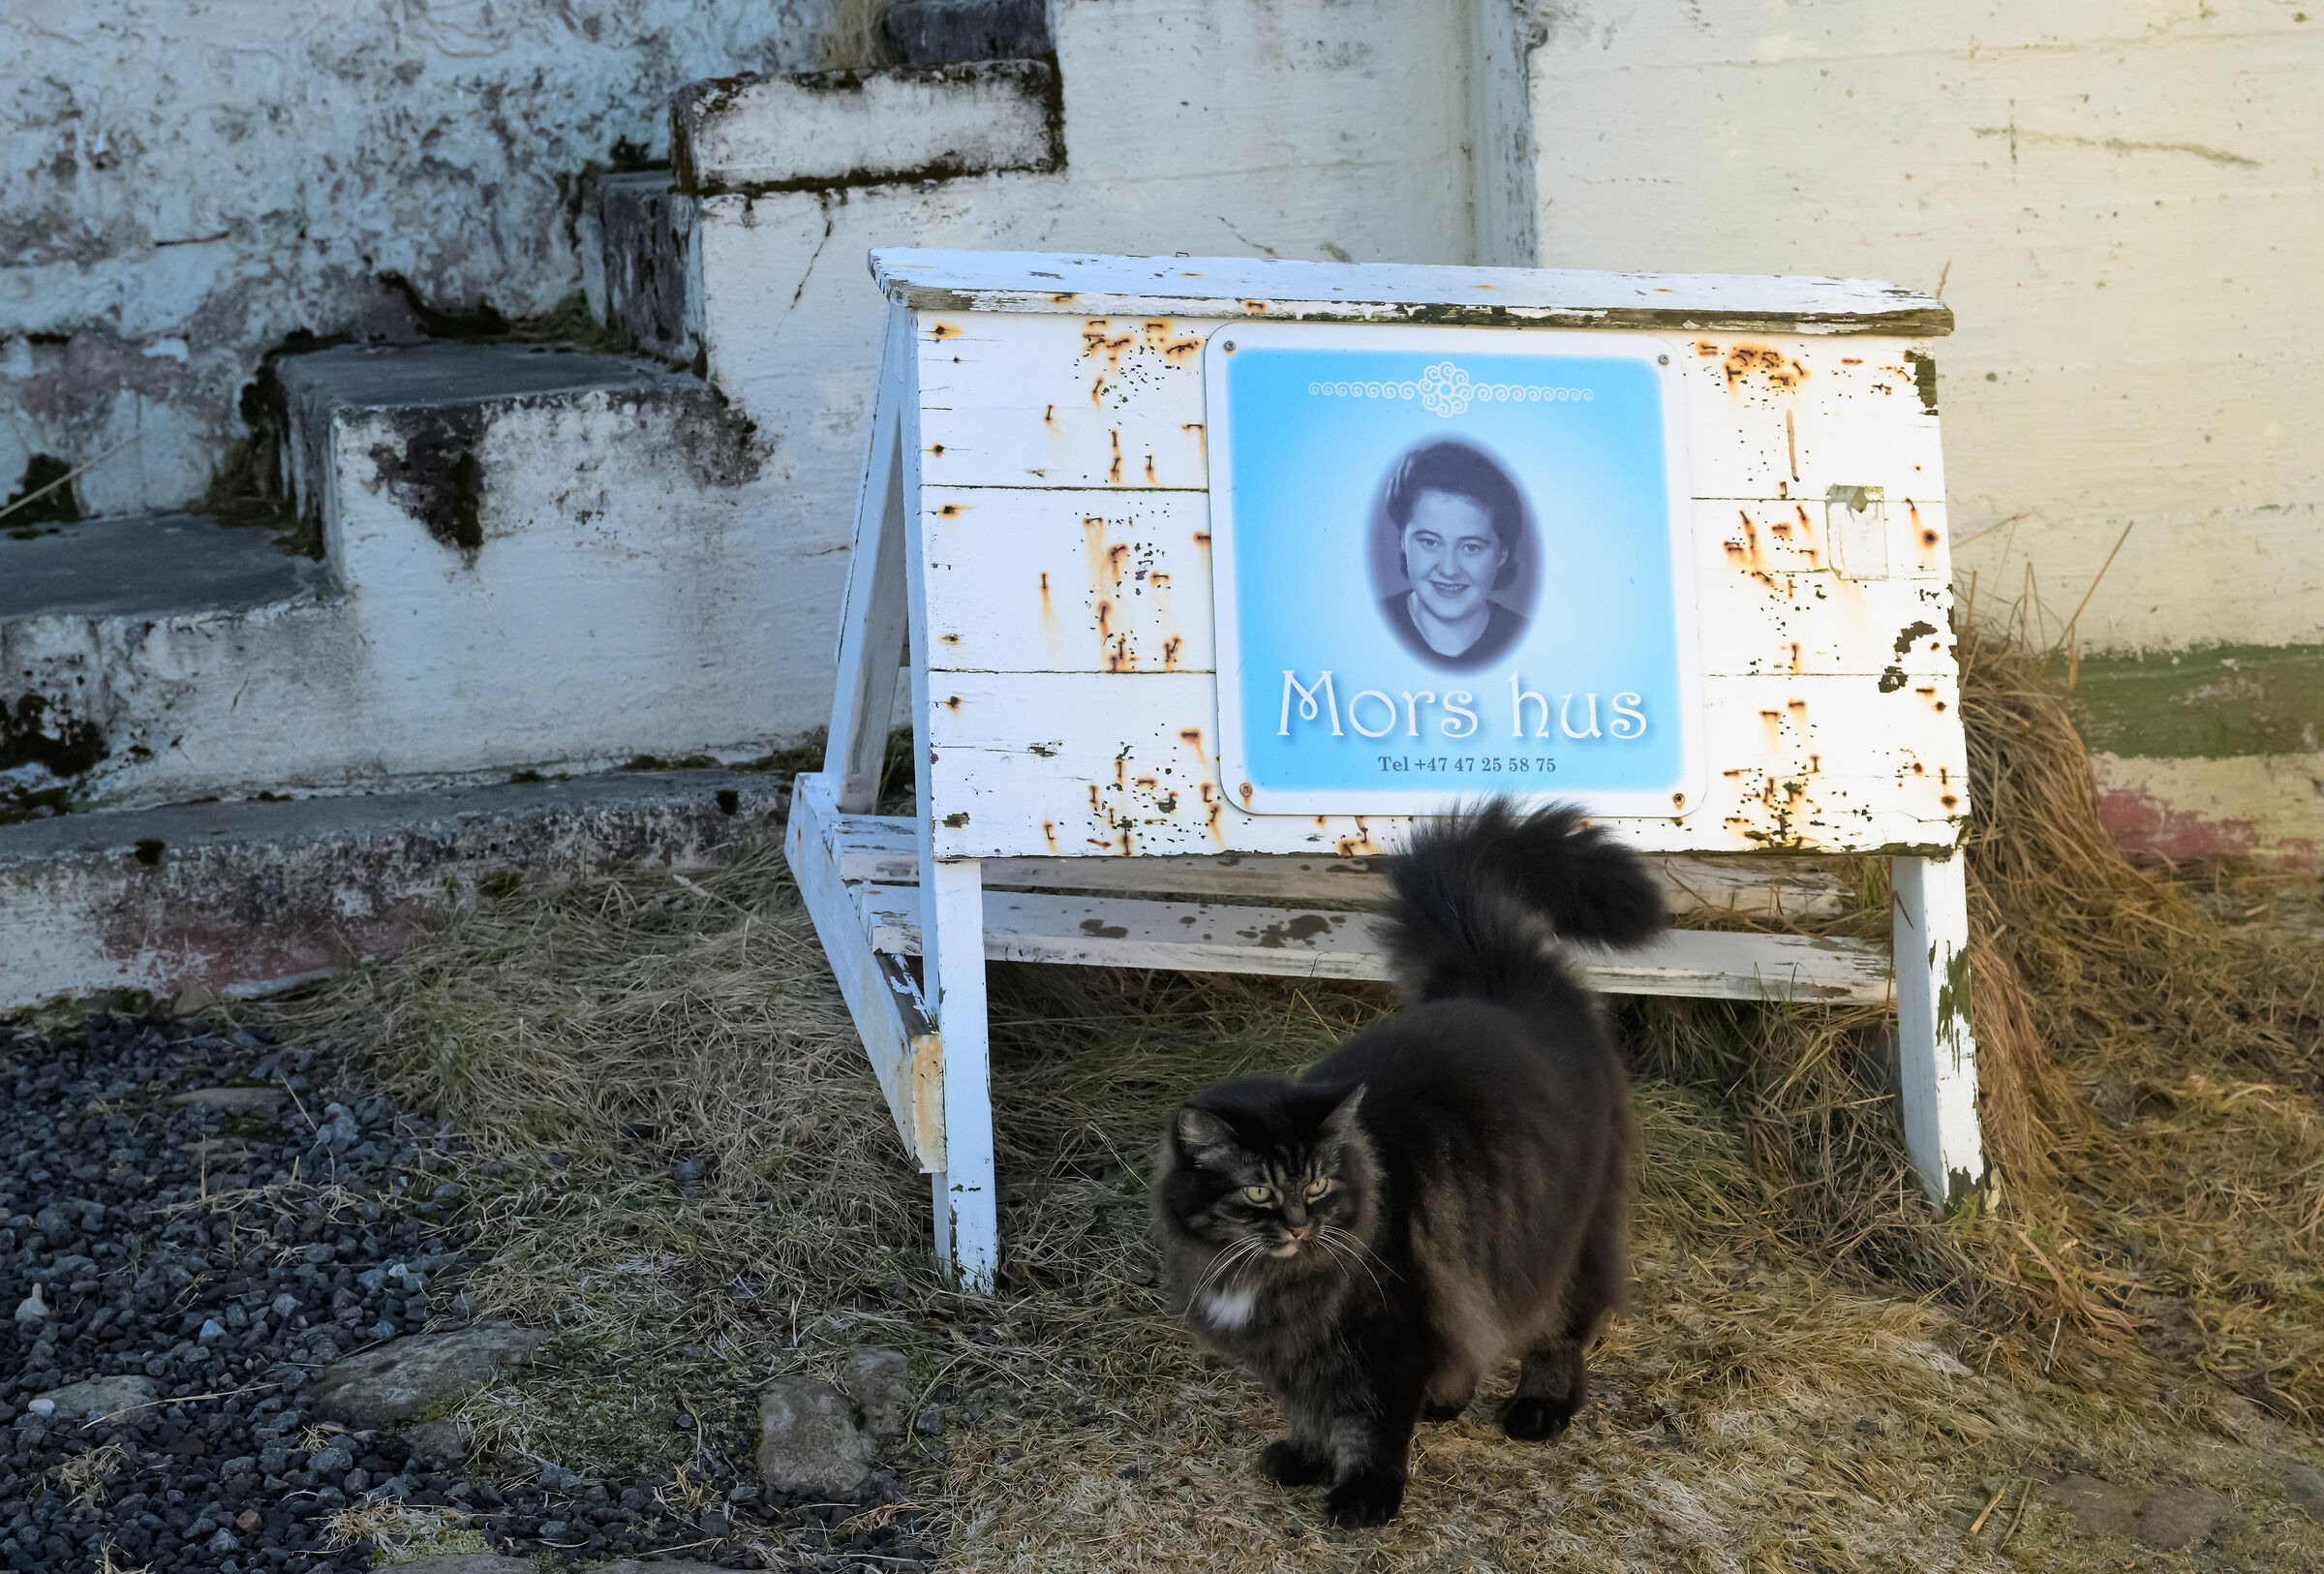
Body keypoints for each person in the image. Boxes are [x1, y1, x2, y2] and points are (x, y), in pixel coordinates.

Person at [1376, 441, 1531, 669]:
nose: (1448, 570)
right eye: (1429, 542)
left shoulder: (1527, 640)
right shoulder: (1370, 627)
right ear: (1403, 541)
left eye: (1471, 547)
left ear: (1502, 555)